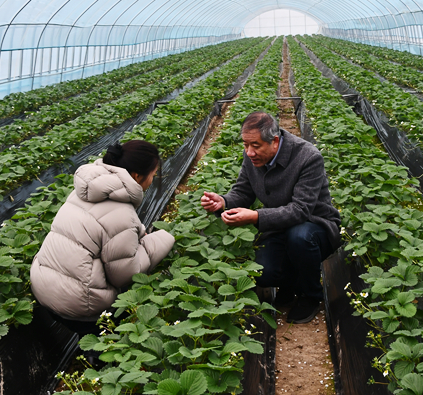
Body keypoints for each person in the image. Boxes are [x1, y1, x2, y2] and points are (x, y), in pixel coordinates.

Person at [200, 112, 340, 323]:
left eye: (255, 145)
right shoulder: (252, 158)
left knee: (299, 236)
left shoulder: (308, 157)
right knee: (264, 273)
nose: (249, 152)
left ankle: (310, 295)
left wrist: (255, 216)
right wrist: (223, 201)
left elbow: (300, 210)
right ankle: (290, 281)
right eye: (245, 145)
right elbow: (243, 192)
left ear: (275, 141)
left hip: (314, 226)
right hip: (278, 226)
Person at [30, 140, 175, 336]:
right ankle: (97, 351)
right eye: (153, 173)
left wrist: (135, 232)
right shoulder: (122, 214)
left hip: (42, 288)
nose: (154, 177)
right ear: (136, 176)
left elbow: (103, 225)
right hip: (79, 308)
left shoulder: (85, 191)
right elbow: (125, 274)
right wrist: (163, 239)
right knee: (126, 304)